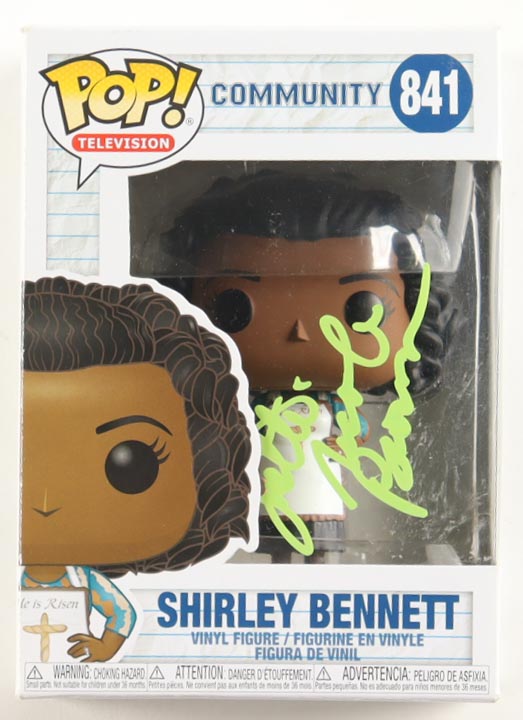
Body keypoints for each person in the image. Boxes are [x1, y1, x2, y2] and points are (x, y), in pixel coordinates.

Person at [161, 171, 454, 562]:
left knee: (323, 538)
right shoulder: (257, 405)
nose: (300, 330)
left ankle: (323, 569)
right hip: (273, 481)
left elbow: (356, 430)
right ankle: (283, 566)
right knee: (277, 538)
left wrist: (344, 440)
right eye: (235, 307)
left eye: (362, 308)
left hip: (322, 480)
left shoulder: (335, 404)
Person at [22, 276, 252, 660]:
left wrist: (105, 648)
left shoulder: (85, 580)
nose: (47, 501)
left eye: (130, 463)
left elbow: (120, 615)